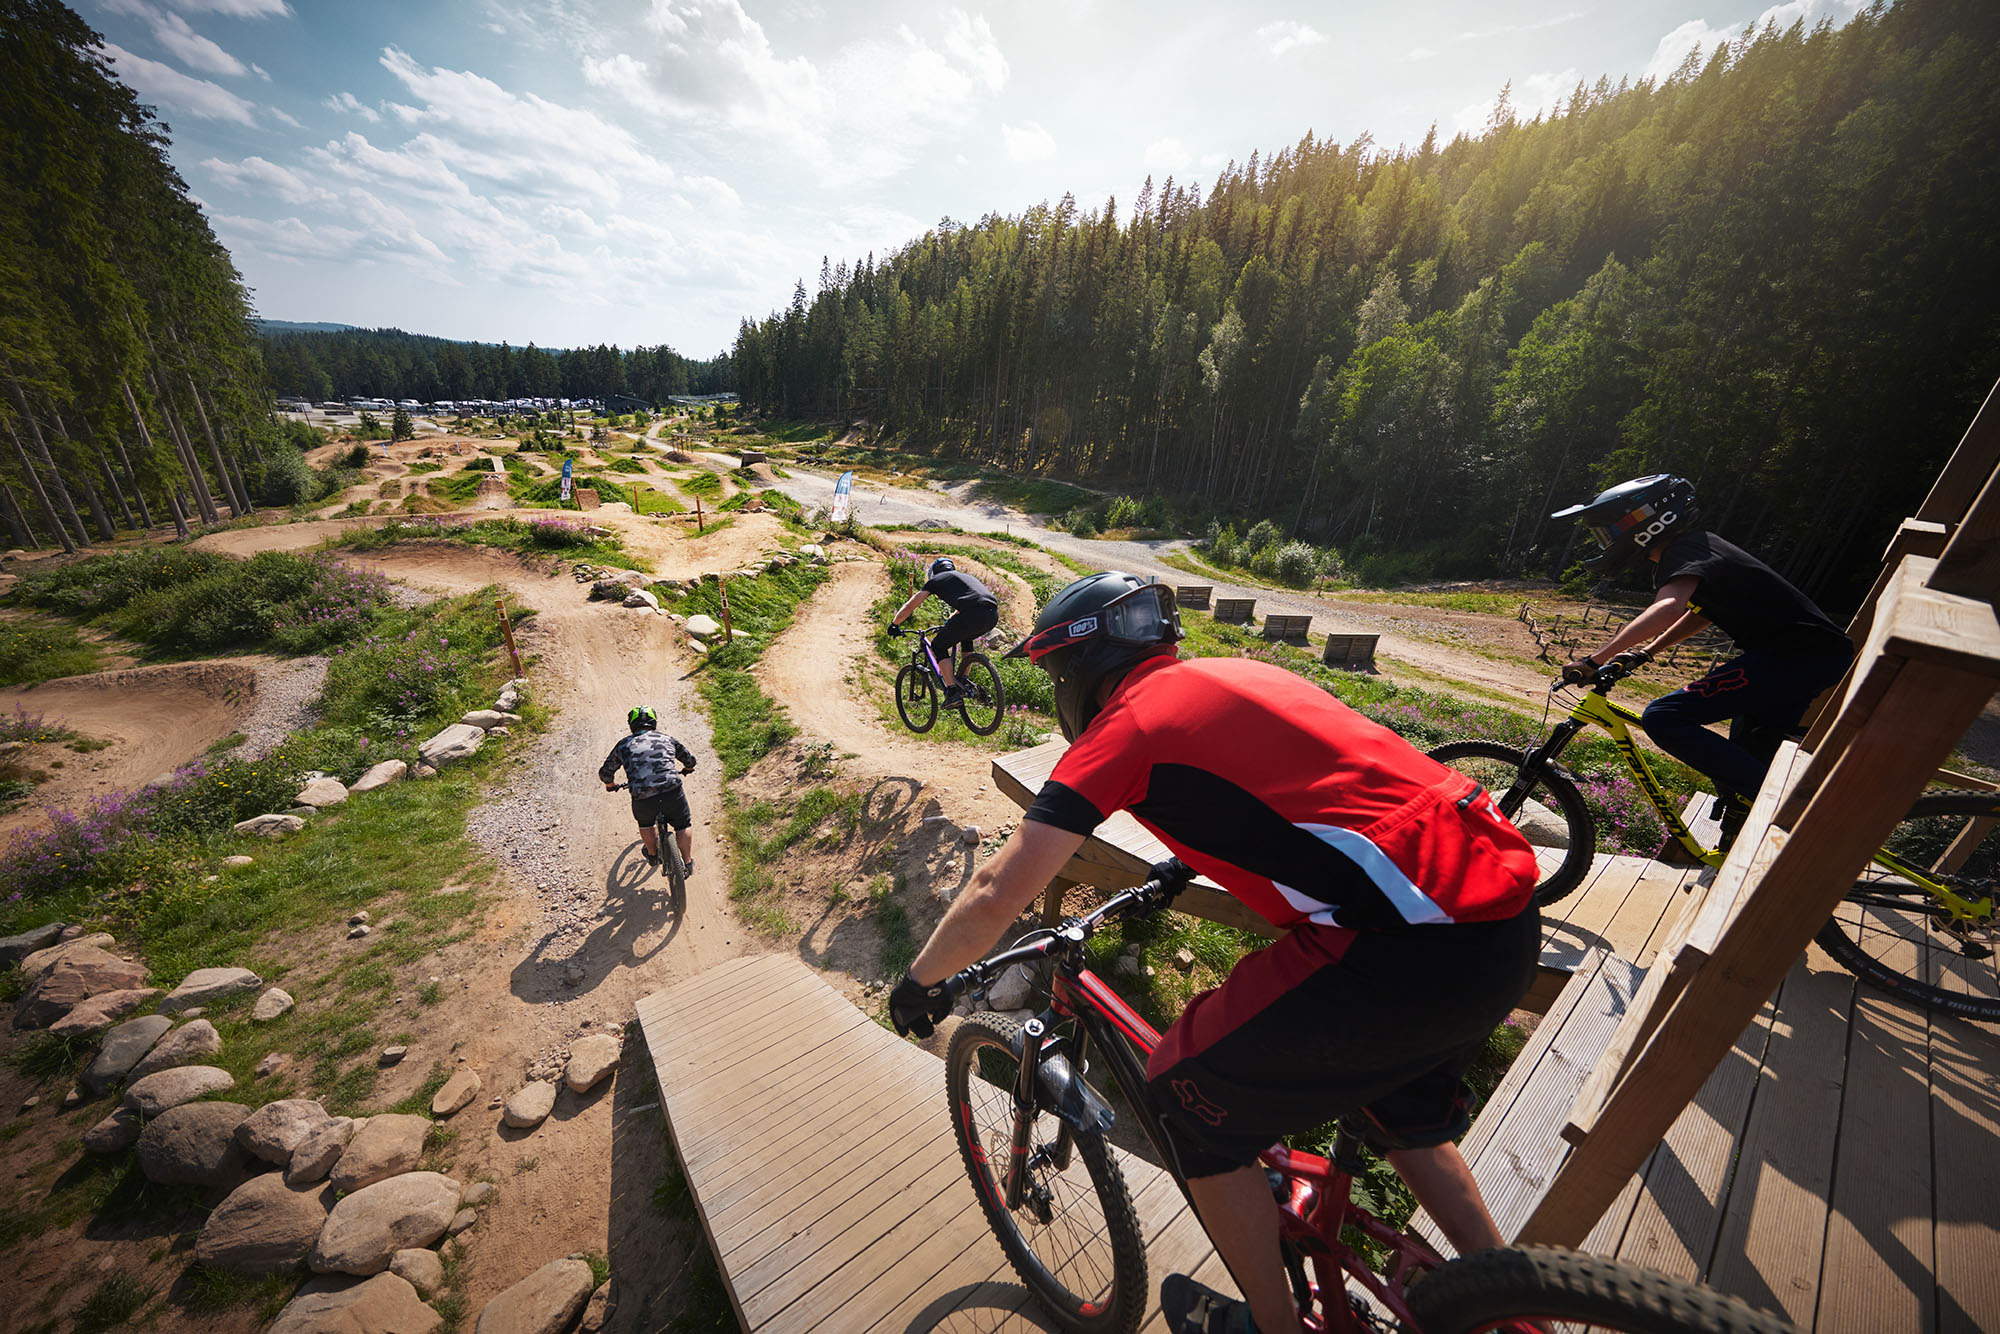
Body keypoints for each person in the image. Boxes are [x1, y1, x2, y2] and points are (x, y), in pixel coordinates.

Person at [889, 572, 1542, 1334]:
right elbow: (1299, 787)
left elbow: (997, 889)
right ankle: (1514, 1307)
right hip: (1502, 919)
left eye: (1057, 674)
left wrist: (920, 983)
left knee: (1181, 1096)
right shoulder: (1234, 674)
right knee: (1408, 1119)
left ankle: (1273, 1326)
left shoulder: (1127, 726)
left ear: (1079, 668)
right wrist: (1185, 860)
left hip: (1402, 947)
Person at [1555, 475, 1855, 840]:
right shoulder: (1699, 547)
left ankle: (1788, 810)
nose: (1607, 543)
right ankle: (1749, 826)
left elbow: (1669, 607)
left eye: (1608, 533)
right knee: (1749, 746)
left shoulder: (1681, 552)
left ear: (1641, 524)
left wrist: (1595, 660)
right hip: (1808, 656)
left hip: (1796, 656)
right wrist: (1646, 652)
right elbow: (1702, 612)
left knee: (1664, 717)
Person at [599, 705, 698, 872]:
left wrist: (610, 784)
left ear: (632, 724)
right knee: (682, 824)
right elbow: (690, 760)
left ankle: (652, 855)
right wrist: (687, 769)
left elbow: (605, 772)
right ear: (654, 722)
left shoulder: (623, 745)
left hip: (642, 795)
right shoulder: (666, 739)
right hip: (671, 791)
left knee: (646, 823)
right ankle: (687, 863)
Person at [888, 556, 998, 704]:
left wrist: (894, 624)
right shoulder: (964, 577)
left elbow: (910, 605)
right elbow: (968, 605)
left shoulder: (936, 581)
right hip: (992, 614)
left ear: (933, 573)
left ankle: (952, 692)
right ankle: (963, 680)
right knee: (966, 637)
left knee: (938, 645)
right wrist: (949, 624)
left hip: (971, 614)